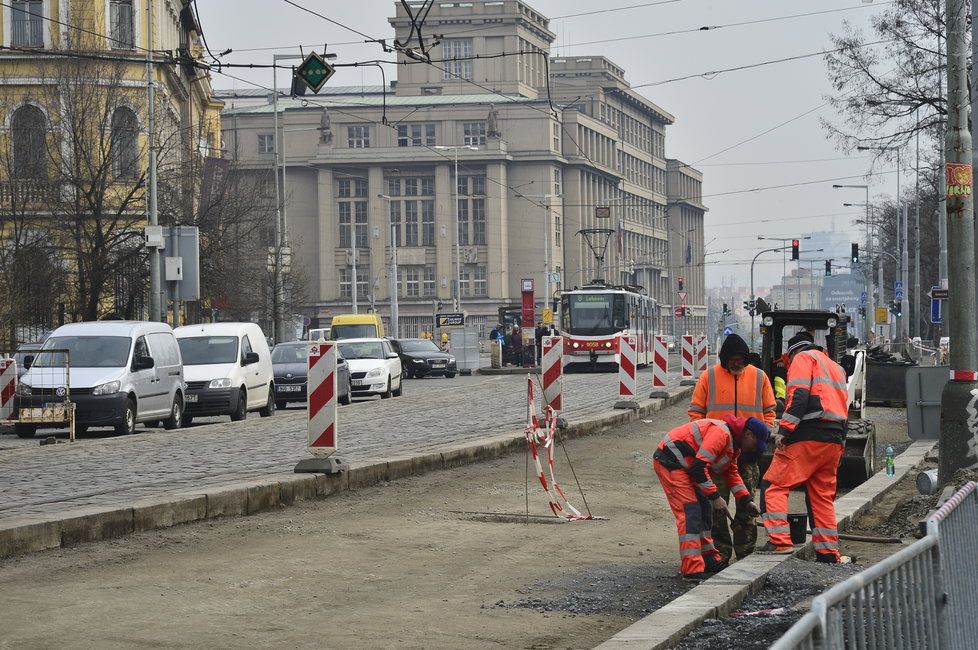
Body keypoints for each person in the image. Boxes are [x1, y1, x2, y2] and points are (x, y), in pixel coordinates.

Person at [759, 332, 851, 564]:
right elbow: (843, 408)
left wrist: (785, 431)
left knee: (774, 484)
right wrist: (841, 442)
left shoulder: (802, 359)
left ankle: (779, 541)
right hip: (833, 440)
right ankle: (828, 551)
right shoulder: (835, 367)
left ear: (792, 353)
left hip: (807, 435)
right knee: (822, 496)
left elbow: (799, 397)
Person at [688, 333, 776, 565]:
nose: (736, 363)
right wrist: (706, 441)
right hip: (716, 454)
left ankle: (746, 553)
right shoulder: (709, 377)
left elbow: (769, 412)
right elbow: (696, 412)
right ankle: (720, 555)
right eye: (732, 359)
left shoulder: (759, 377)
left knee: (747, 506)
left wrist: (762, 435)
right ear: (724, 359)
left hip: (747, 456)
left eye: (740, 359)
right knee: (716, 507)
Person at [653, 415, 768, 580]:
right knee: (690, 512)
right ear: (748, 434)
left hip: (685, 466)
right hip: (671, 463)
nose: (754, 449)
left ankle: (708, 558)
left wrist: (746, 500)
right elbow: (699, 468)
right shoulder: (722, 435)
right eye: (755, 444)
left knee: (705, 510)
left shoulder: (734, 446)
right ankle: (692, 569)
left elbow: (731, 473)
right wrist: (715, 497)